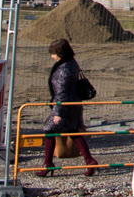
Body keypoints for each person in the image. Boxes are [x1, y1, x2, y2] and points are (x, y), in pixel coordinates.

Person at [39, 39, 101, 177]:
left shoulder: (63, 70)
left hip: (64, 106)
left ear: (60, 53)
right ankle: (90, 161)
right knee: (73, 132)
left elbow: (61, 92)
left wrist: (58, 112)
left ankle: (48, 164)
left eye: (54, 54)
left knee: (49, 130)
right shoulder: (71, 63)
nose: (52, 56)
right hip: (73, 104)